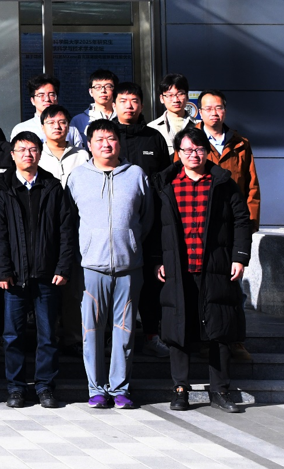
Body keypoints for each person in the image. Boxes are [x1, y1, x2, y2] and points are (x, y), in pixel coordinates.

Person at [157, 126, 252, 414]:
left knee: (219, 328)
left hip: (216, 266)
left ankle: (220, 390)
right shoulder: (165, 184)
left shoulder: (222, 182)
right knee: (179, 329)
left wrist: (239, 257)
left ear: (207, 152)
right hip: (178, 268)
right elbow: (153, 227)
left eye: (199, 149)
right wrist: (157, 259)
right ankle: (180, 389)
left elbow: (241, 220)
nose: (194, 155)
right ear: (178, 153)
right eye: (187, 150)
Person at [66, 119, 152, 410]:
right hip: (91, 267)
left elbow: (147, 217)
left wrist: (133, 244)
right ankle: (96, 389)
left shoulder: (136, 174)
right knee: (91, 332)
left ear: (119, 142)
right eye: (99, 139)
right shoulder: (78, 177)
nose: (106, 144)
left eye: (111, 138)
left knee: (124, 332)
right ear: (89, 145)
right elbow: (69, 222)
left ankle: (120, 389)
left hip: (129, 266)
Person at [0, 131, 78, 410]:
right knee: (13, 336)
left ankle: (45, 386)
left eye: (33, 149)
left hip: (47, 273)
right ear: (12, 155)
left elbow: (66, 231)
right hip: (14, 276)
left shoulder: (52, 186)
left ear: (40, 153)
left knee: (47, 335)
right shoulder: (2, 188)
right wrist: (2, 269)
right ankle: (16, 388)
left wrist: (63, 266)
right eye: (22, 150)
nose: (27, 154)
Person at [111, 82, 169, 359]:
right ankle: (114, 338)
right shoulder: (106, 135)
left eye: (134, 101)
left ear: (142, 105)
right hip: (115, 225)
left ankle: (151, 335)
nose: (129, 106)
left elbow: (165, 181)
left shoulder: (153, 138)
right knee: (116, 284)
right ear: (114, 104)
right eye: (123, 100)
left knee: (150, 283)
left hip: (150, 224)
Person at [198, 90, 261, 230]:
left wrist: (251, 222)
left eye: (218, 108)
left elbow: (252, 186)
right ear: (200, 112)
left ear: (225, 111)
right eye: (208, 109)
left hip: (235, 218)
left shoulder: (241, 143)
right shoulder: (189, 142)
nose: (214, 113)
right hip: (201, 219)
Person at [11, 75, 85, 149]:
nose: (47, 99)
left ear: (57, 99)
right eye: (41, 95)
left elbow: (80, 154)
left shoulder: (70, 129)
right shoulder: (21, 129)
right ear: (32, 100)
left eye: (51, 94)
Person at [38, 105, 91, 185]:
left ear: (68, 127)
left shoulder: (82, 155)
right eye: (51, 122)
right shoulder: (37, 155)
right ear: (42, 128)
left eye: (62, 122)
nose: (57, 126)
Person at [150, 73, 196, 152]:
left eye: (180, 94)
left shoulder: (200, 126)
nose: (176, 100)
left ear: (187, 96)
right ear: (161, 98)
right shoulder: (152, 128)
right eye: (170, 95)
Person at [71, 69, 118, 139]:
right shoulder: (78, 121)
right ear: (90, 92)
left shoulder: (123, 116)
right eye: (98, 87)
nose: (103, 90)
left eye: (108, 86)